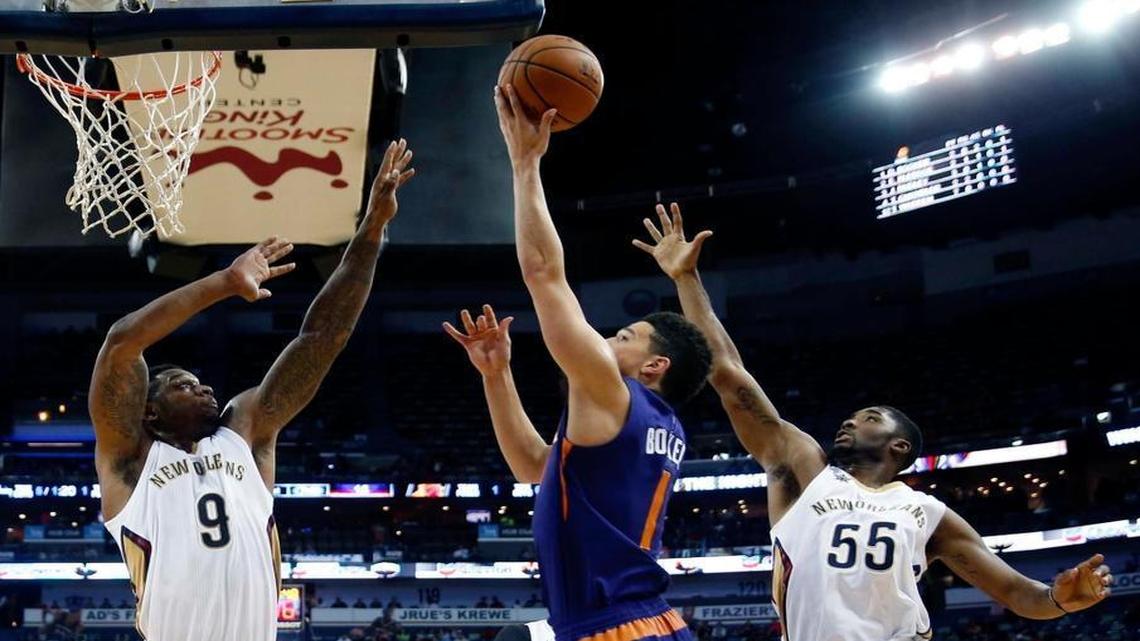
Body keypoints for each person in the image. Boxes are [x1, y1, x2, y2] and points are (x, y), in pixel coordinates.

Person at [633, 203, 1115, 641]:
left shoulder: (929, 514)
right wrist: (686, 279)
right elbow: (728, 376)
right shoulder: (804, 471)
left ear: (899, 446)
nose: (849, 421)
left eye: (867, 418)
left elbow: (1016, 592)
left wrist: (1060, 600)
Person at [88, 140, 415, 641]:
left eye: (198, 381)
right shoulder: (129, 461)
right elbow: (121, 346)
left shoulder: (244, 433)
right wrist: (223, 282)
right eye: (183, 385)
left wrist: (371, 228)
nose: (205, 388)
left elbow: (322, 337)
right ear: (148, 412)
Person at [444, 86, 712, 641]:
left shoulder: (615, 392)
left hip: (614, 626)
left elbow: (544, 273)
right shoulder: (662, 424)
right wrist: (498, 378)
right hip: (639, 621)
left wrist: (525, 163)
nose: (607, 341)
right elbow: (536, 471)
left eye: (624, 335)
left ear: (655, 364)